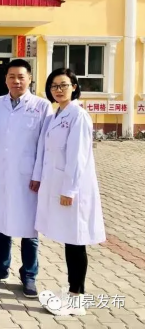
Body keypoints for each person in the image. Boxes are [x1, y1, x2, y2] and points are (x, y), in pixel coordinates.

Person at [36, 68, 106, 316]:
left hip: (73, 189)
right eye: (54, 86)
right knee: (70, 240)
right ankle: (73, 290)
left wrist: (69, 190)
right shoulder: (57, 114)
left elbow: (78, 157)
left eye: (64, 85)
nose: (58, 90)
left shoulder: (79, 116)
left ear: (74, 87)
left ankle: (77, 300)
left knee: (76, 242)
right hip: (59, 184)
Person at [0, 59, 53, 298]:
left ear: (30, 79)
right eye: (12, 76)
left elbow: (45, 145)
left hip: (28, 177)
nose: (16, 81)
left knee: (29, 228)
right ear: (5, 79)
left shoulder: (42, 106)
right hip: (0, 174)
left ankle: (29, 275)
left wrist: (39, 174)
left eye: (21, 77)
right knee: (1, 224)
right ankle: (0, 269)